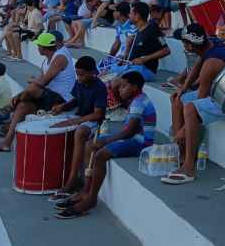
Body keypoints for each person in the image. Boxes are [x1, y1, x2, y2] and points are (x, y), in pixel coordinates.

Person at [53, 71, 156, 218]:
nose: (119, 90)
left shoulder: (138, 103)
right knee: (89, 145)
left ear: (134, 88)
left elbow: (129, 133)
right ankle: (85, 190)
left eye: (123, 87)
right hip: (133, 138)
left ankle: (91, 198)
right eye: (120, 87)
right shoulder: (135, 99)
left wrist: (105, 141)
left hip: (140, 143)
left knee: (100, 155)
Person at [163, 24, 225, 185]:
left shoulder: (212, 63)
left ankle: (189, 166)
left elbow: (199, 101)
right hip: (216, 92)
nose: (184, 47)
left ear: (191, 45)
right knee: (177, 99)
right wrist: (184, 88)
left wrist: (180, 132)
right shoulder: (210, 43)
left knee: (190, 108)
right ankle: (181, 153)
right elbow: (196, 65)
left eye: (184, 44)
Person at [0, 32, 76, 152]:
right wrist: (31, 85)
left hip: (62, 99)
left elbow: (43, 82)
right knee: (23, 106)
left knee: (33, 88)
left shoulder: (60, 57)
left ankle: (11, 105)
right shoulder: (47, 60)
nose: (37, 47)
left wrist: (31, 80)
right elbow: (41, 81)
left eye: (39, 45)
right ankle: (6, 142)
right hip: (49, 96)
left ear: (44, 47)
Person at [49, 56, 108, 198]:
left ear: (93, 72)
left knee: (80, 131)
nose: (79, 77)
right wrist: (62, 107)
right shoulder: (79, 83)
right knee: (51, 124)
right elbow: (76, 100)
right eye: (77, 74)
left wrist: (74, 122)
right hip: (80, 116)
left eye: (82, 74)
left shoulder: (99, 87)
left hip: (94, 122)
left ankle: (73, 179)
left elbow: (97, 114)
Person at [108, 1, 170, 81]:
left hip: (145, 69)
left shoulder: (152, 29)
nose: (128, 15)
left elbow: (166, 50)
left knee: (114, 78)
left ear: (137, 16)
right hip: (133, 66)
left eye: (130, 13)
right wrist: (125, 55)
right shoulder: (138, 31)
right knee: (107, 71)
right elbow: (133, 55)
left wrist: (144, 59)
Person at [98, 2, 136, 73]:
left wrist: (124, 58)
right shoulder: (119, 26)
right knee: (101, 64)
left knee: (106, 70)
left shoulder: (132, 26)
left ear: (119, 13)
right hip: (120, 58)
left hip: (128, 59)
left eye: (114, 11)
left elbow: (131, 45)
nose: (113, 13)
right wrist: (109, 57)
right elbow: (116, 44)